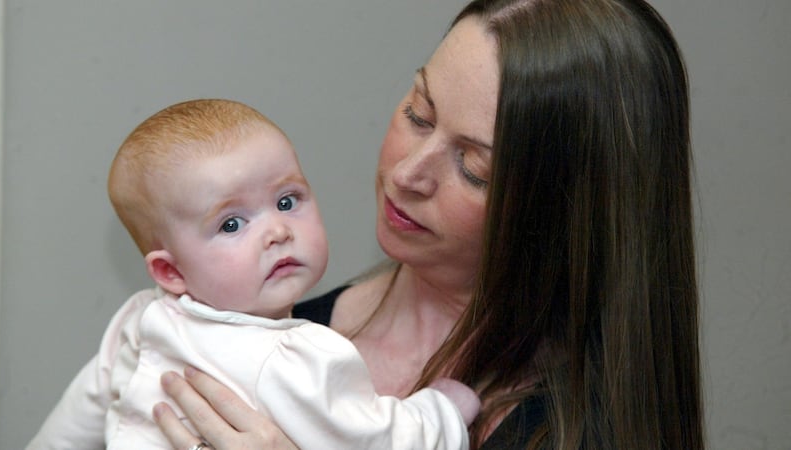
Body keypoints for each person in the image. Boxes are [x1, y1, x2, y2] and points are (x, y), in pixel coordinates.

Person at [153, 0, 703, 448]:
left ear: (561, 212)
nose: (408, 174)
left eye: (475, 167)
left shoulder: (575, 430)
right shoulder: (258, 327)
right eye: (419, 113)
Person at [27, 99, 481, 450]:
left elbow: (72, 425)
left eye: (286, 201)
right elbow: (381, 439)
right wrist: (442, 408)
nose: (277, 231)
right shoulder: (294, 357)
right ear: (169, 270)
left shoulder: (141, 320)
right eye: (231, 224)